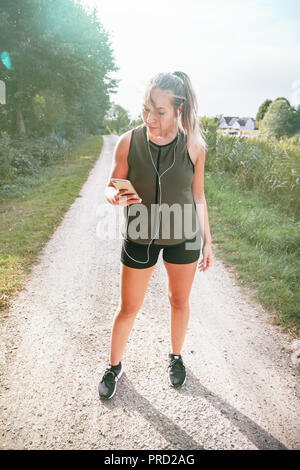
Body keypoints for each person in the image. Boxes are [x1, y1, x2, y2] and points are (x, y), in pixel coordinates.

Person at [98, 71, 213, 400]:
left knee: (179, 301)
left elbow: (199, 197)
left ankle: (176, 357)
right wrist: (115, 196)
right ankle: (114, 366)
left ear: (179, 109)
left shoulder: (193, 146)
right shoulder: (128, 141)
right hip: (140, 235)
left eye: (159, 112)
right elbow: (110, 185)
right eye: (145, 108)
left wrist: (208, 241)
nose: (149, 117)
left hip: (184, 235)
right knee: (128, 307)